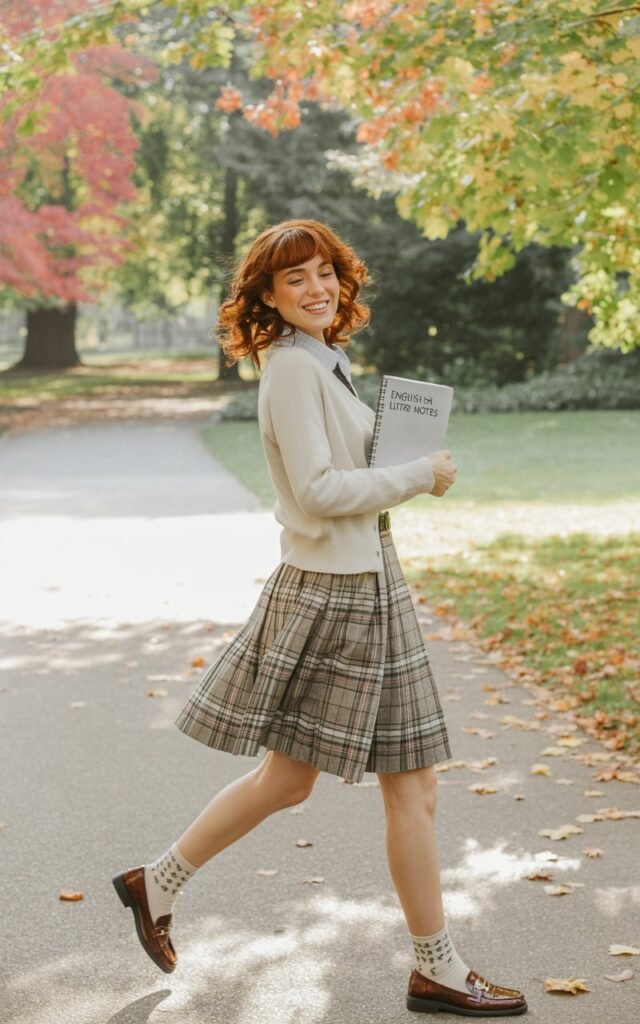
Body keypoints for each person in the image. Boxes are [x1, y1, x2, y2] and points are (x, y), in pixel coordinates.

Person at [112, 219, 527, 1017]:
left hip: (368, 580)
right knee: (375, 788)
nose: (316, 288)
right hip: (336, 594)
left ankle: (155, 882)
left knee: (315, 782)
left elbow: (341, 475)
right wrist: (415, 474)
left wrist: (404, 457)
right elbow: (317, 492)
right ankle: (435, 967)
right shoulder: (293, 372)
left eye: (325, 273)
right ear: (266, 294)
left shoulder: (323, 364)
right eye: (294, 278)